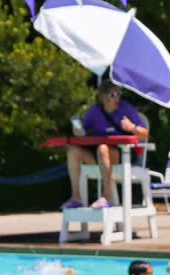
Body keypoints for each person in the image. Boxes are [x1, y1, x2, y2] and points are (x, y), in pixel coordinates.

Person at [64, 82, 150, 210]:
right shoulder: (94, 110)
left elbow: (145, 134)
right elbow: (82, 133)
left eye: (118, 94)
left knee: (102, 148)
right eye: (113, 95)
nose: (117, 98)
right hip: (99, 155)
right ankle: (76, 197)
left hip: (123, 155)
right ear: (103, 97)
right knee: (73, 151)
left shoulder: (126, 109)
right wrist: (78, 131)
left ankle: (106, 197)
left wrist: (133, 127)